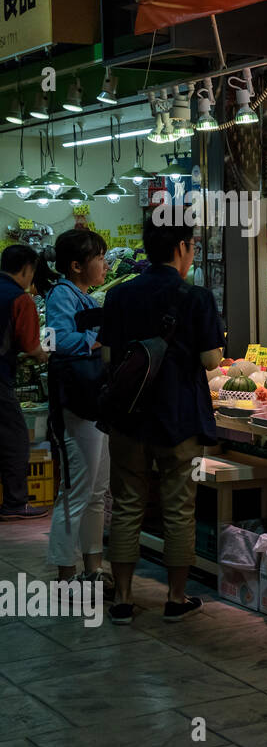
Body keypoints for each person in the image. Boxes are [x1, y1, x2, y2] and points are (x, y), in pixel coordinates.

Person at [100, 222, 225, 624]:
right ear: (181, 249)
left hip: (127, 419)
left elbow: (106, 359)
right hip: (179, 420)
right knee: (179, 508)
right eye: (191, 247)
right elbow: (211, 361)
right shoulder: (196, 297)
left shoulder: (119, 294)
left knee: (127, 506)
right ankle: (176, 597)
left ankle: (122, 599)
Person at [45, 230, 112, 584]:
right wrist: (96, 338)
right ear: (75, 266)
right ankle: (65, 574)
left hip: (94, 404)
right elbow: (53, 339)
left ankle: (93, 569)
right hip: (76, 404)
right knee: (75, 492)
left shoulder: (83, 297)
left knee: (97, 491)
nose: (105, 264)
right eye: (98, 258)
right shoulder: (61, 294)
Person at [0, 244, 49, 521]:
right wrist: (45, 355)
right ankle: (16, 502)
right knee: (16, 438)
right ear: (26, 269)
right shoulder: (20, 300)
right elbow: (32, 348)